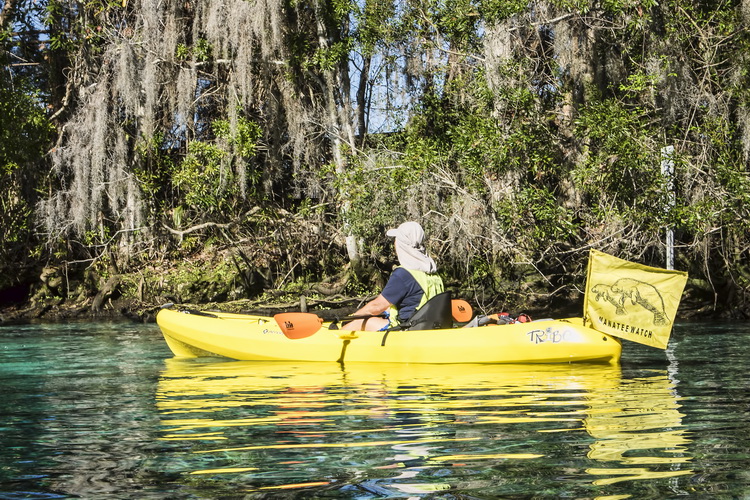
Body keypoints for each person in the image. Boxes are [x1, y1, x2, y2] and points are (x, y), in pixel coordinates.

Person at [342, 221, 444, 331]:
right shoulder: (433, 273)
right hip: (428, 327)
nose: (394, 243)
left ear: (401, 244)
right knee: (386, 311)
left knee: (360, 322)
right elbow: (414, 302)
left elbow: (376, 306)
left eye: (396, 240)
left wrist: (351, 319)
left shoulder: (403, 274)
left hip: (407, 330)